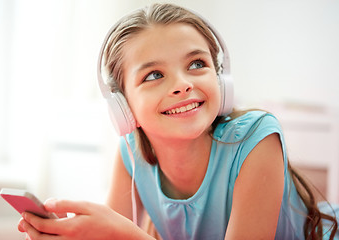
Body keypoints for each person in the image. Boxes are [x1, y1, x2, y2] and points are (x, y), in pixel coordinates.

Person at [18, 3, 338, 239]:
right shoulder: (131, 152)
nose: (183, 84)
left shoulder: (257, 138)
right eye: (154, 74)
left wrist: (128, 235)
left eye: (197, 63)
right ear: (123, 106)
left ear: (221, 79)